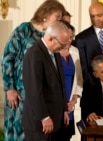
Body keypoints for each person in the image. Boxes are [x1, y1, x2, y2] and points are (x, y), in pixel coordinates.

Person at [1, 1, 65, 140]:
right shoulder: (24, 29)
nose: (60, 20)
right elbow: (7, 58)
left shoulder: (53, 38)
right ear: (45, 14)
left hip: (40, 98)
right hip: (19, 95)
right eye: (57, 16)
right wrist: (9, 88)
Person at [22, 20, 72, 141]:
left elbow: (61, 85)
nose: (64, 47)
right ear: (50, 38)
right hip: (41, 124)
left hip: (56, 120)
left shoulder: (55, 51)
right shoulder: (34, 54)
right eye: (62, 44)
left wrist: (64, 110)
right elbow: (34, 90)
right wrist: (44, 117)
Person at [59, 20, 83, 141]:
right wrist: (62, 106)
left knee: (66, 136)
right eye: (67, 37)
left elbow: (79, 78)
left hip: (70, 105)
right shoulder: (53, 52)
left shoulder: (75, 51)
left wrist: (73, 100)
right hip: (56, 106)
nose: (70, 40)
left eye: (71, 36)